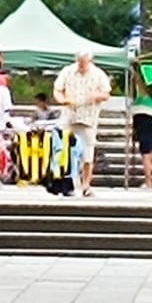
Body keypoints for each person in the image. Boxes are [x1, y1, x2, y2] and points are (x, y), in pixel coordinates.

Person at [53, 51, 113, 198]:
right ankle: (67, 184)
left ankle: (86, 185)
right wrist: (62, 99)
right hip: (70, 116)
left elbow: (106, 94)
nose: (82, 66)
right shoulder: (67, 71)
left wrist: (97, 96)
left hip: (88, 118)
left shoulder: (98, 74)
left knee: (88, 154)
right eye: (80, 63)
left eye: (84, 63)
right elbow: (57, 90)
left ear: (90, 61)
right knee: (65, 151)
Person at [129, 85, 152, 189]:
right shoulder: (150, 101)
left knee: (146, 155)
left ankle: (149, 181)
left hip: (144, 126)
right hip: (149, 127)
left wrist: (136, 73)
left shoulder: (145, 98)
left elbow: (139, 83)